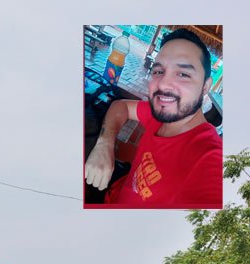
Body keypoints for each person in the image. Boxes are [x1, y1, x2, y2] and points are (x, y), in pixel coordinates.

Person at [84, 28, 222, 208]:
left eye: (183, 74)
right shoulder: (164, 114)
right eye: (158, 71)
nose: (163, 84)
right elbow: (122, 106)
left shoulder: (209, 159)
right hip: (113, 187)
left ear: (205, 87)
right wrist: (105, 144)